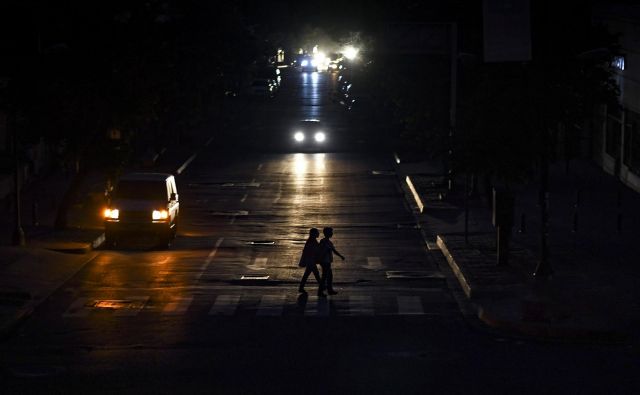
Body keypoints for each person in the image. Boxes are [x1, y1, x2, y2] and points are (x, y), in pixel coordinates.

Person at [318, 227, 345, 296]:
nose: (332, 233)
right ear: (327, 233)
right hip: (324, 262)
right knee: (325, 277)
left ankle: (329, 290)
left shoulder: (329, 242)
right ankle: (321, 291)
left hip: (327, 261)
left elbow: (334, 250)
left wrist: (340, 256)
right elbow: (320, 251)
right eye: (330, 232)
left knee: (329, 276)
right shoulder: (323, 241)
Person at [298, 228, 324, 296]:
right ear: (314, 234)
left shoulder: (312, 240)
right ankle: (322, 287)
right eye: (317, 233)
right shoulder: (312, 241)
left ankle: (301, 287)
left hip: (310, 261)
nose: (318, 234)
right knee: (316, 274)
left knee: (307, 274)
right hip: (311, 261)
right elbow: (313, 251)